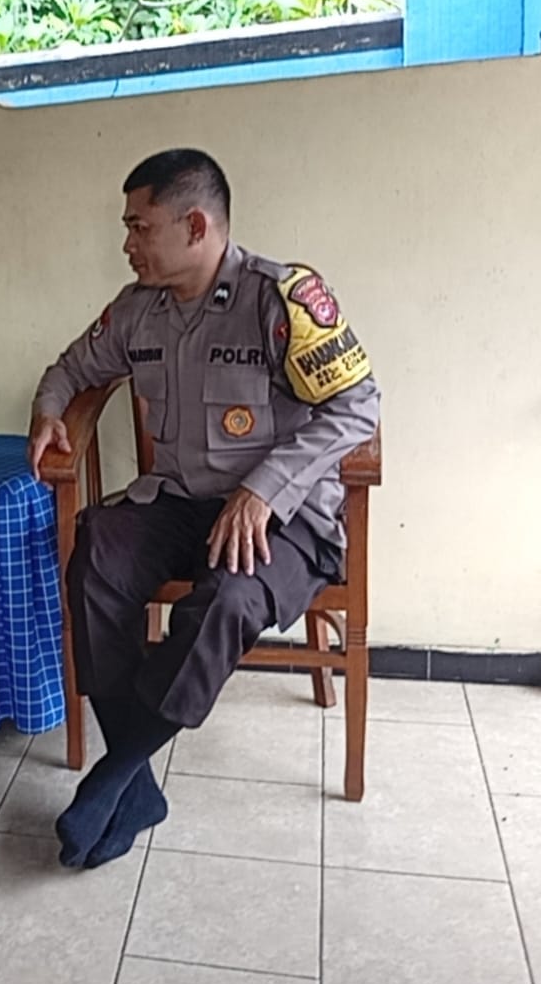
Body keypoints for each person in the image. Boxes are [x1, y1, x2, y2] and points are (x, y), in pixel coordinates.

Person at [28, 149, 379, 868]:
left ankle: (116, 774)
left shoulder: (281, 300)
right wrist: (48, 412)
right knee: (95, 557)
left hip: (281, 518)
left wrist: (263, 489)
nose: (127, 244)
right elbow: (69, 369)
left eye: (139, 226)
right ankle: (133, 783)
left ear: (194, 226)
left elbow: (358, 406)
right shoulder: (138, 309)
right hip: (181, 501)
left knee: (226, 600)